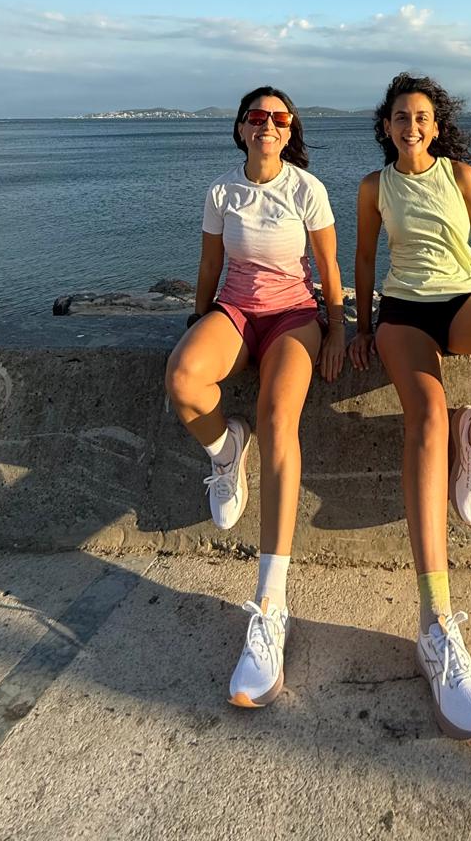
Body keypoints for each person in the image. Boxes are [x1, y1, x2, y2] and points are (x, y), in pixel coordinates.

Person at [351, 72, 471, 741]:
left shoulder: (460, 175)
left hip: (462, 303)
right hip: (404, 315)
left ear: (436, 126)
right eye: (401, 116)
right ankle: (435, 621)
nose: (412, 126)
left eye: (422, 117)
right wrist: (360, 327)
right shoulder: (374, 187)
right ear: (386, 126)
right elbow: (365, 260)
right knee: (427, 419)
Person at [165, 86, 345, 709]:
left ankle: (271, 603)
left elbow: (328, 269)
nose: (267, 124)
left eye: (278, 117)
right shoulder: (222, 192)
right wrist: (198, 319)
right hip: (236, 313)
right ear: (242, 128)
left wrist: (338, 330)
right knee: (184, 379)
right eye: (257, 116)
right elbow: (210, 266)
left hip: (294, 317)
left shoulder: (307, 189)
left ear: (290, 130)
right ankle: (225, 449)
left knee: (277, 418)